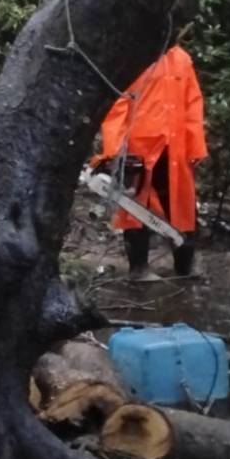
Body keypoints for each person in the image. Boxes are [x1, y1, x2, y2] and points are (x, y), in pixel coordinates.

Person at [92, 32, 207, 280]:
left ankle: (185, 268)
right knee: (135, 209)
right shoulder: (135, 58)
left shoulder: (182, 59)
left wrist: (195, 145)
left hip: (175, 148)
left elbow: (193, 105)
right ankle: (139, 268)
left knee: (182, 209)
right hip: (139, 148)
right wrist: (114, 151)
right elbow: (117, 105)